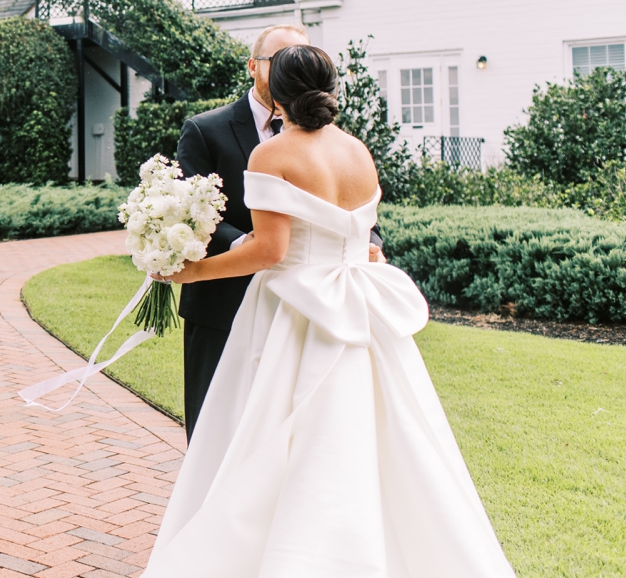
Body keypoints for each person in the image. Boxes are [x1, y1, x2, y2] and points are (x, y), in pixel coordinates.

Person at [146, 44, 515, 578]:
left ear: (277, 93)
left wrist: (188, 272)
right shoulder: (357, 151)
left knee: (271, 437)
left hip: (291, 313)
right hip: (356, 308)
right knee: (370, 436)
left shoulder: (272, 154)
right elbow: (361, 237)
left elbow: (269, 252)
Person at [174, 24, 382, 436]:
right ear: (254, 67)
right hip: (228, 305)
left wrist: (368, 245)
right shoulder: (206, 129)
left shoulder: (275, 152)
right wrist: (240, 243)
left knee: (278, 435)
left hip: (301, 309)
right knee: (220, 430)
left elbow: (278, 247)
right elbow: (191, 210)